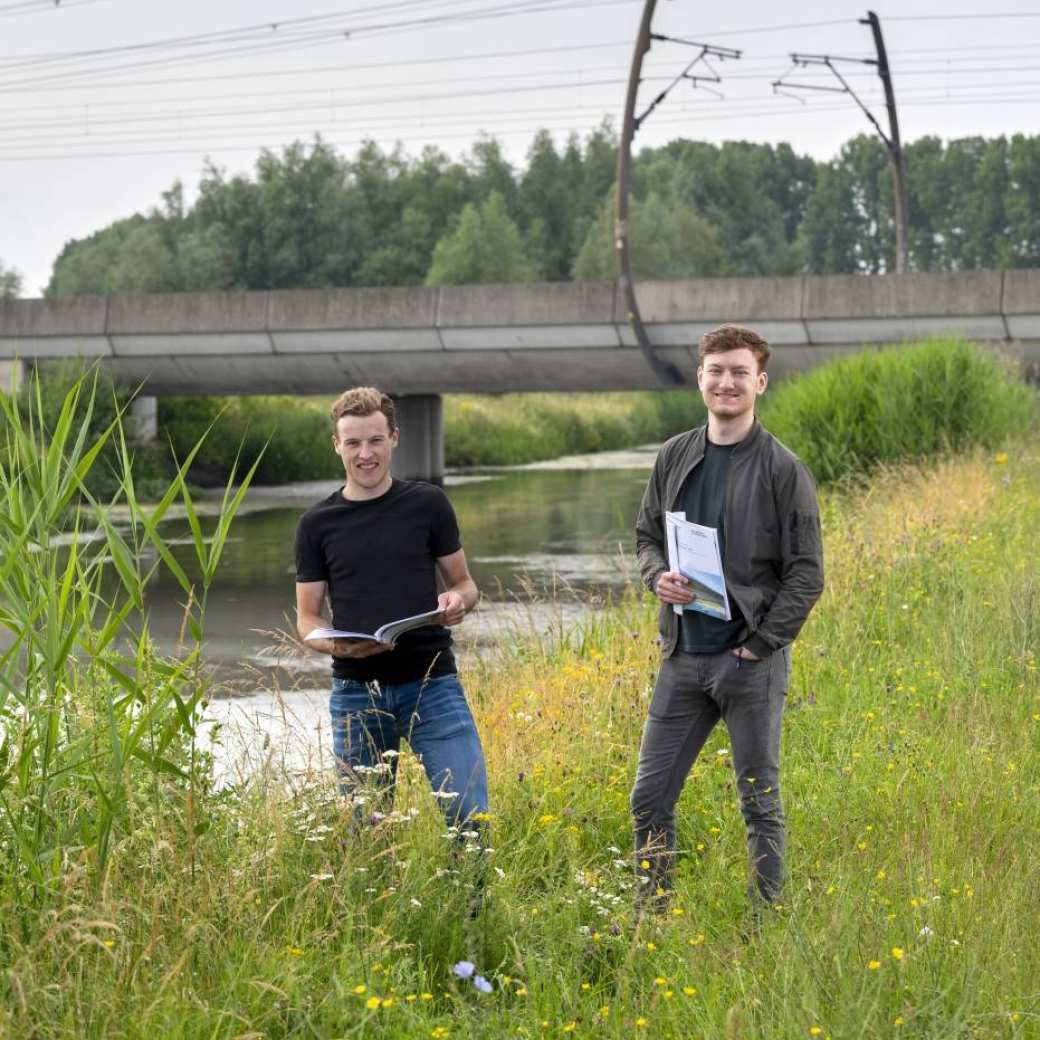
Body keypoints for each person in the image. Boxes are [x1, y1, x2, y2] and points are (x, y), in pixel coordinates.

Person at [631, 323, 824, 912]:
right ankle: (651, 916)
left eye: (740, 371)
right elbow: (646, 536)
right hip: (682, 657)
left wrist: (761, 645)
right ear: (699, 380)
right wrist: (655, 576)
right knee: (649, 798)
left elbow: (807, 574)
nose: (727, 382)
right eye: (716, 371)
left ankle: (764, 923)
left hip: (749, 663)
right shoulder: (674, 455)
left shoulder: (783, 469)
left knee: (759, 802)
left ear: (760, 382)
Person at [294, 387, 488, 830]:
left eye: (375, 440)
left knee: (469, 814)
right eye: (354, 442)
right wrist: (336, 647)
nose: (366, 454)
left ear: (394, 439)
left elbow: (465, 583)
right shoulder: (315, 525)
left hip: (432, 684)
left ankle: (473, 902)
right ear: (336, 445)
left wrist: (458, 601)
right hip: (357, 695)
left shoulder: (428, 503)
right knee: (363, 830)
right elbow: (307, 618)